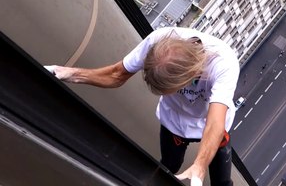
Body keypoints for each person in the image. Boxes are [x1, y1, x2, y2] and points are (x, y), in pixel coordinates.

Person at [45, 27, 240, 186]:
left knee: (222, 182)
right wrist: (69, 74)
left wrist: (199, 165)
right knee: (168, 167)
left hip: (210, 122)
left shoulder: (223, 63)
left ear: (191, 75)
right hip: (174, 120)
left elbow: (215, 122)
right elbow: (116, 74)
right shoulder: (158, 40)